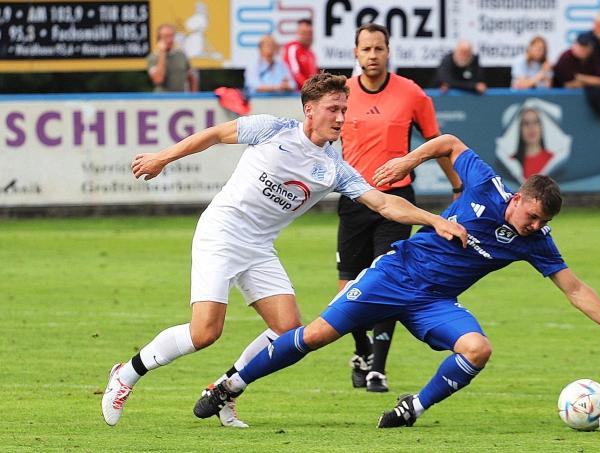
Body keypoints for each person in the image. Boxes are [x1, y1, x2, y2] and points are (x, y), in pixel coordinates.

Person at [192, 134, 600, 429]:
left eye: (542, 223)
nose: (535, 227)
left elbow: (574, 287)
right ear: (519, 199)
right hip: (393, 275)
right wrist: (405, 162)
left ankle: (411, 408)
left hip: (434, 301)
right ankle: (229, 386)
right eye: (534, 217)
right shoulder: (486, 186)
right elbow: (449, 142)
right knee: (314, 335)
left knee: (478, 349)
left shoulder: (535, 241)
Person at [100, 73, 467, 428]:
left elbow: (384, 204)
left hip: (259, 247)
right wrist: (163, 158)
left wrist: (435, 220)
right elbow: (213, 134)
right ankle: (127, 373)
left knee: (288, 330)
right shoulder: (272, 129)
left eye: (344, 109)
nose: (341, 118)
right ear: (309, 110)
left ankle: (225, 389)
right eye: (332, 109)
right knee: (205, 333)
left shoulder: (334, 168)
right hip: (221, 232)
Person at [336, 23, 463, 393]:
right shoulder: (342, 93)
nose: (372, 55)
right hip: (355, 200)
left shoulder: (411, 93)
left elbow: (437, 143)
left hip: (399, 200)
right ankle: (360, 350)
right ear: (356, 54)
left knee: (388, 278)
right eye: (366, 49)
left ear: (388, 51)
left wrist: (457, 185)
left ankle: (377, 367)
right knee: (349, 287)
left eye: (379, 48)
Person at [508, 108, 561, 180]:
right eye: (526, 123)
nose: (531, 128)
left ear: (541, 127)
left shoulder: (553, 161)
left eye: (535, 122)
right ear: (520, 130)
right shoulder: (511, 163)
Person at [147, 24, 198, 92]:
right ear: (159, 39)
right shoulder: (153, 57)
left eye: (172, 36)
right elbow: (158, 79)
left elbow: (191, 76)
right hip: (162, 100)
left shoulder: (181, 55)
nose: (169, 40)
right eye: (166, 36)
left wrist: (194, 97)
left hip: (181, 99)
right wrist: (162, 53)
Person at [283, 18, 319, 89]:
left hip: (309, 93)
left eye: (310, 33)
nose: (307, 36)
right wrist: (311, 88)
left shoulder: (311, 54)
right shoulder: (292, 48)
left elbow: (314, 75)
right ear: (298, 33)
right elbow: (295, 73)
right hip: (296, 94)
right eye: (304, 33)